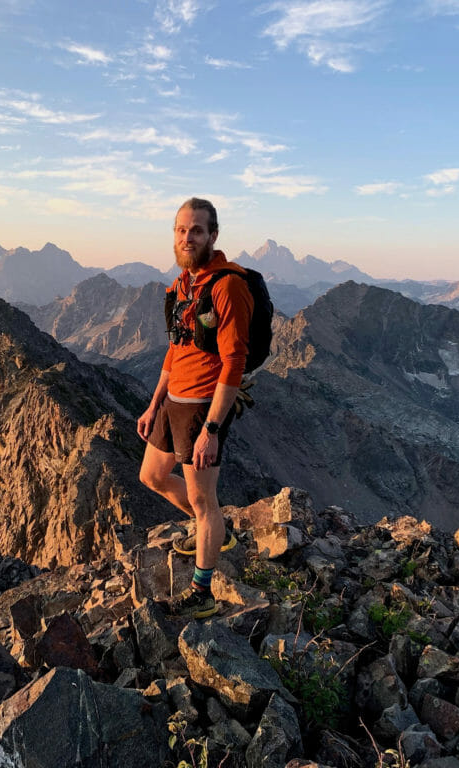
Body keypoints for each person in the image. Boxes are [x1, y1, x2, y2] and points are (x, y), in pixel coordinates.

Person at [137, 197, 253, 619]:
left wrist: (212, 429)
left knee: (204, 502)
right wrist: (154, 406)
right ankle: (215, 532)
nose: (187, 238)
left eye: (197, 230)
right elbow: (175, 351)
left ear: (213, 235)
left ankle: (202, 593)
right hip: (172, 403)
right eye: (181, 230)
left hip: (203, 407)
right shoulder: (182, 287)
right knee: (151, 475)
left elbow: (234, 363)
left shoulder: (228, 287)